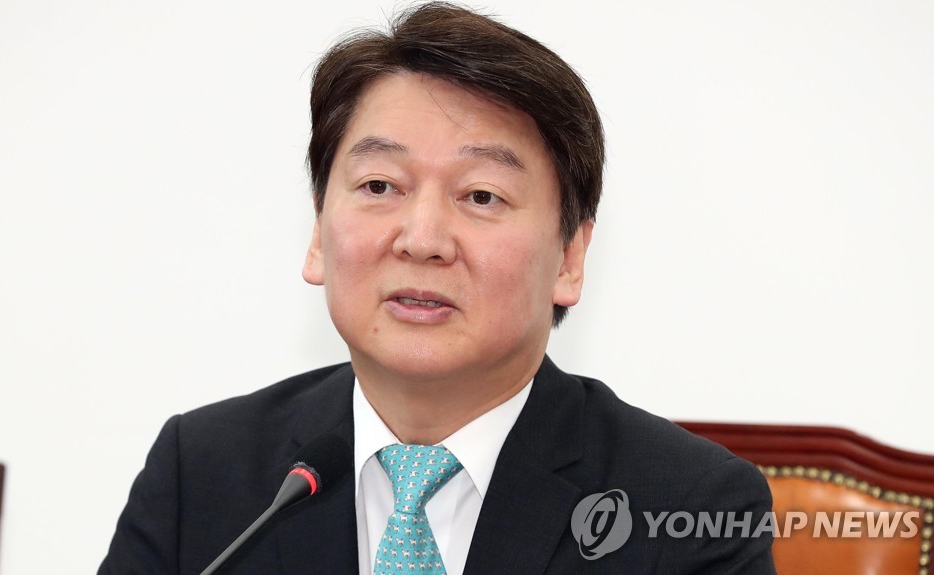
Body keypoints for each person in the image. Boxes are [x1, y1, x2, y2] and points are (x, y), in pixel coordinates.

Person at [99, 3, 776, 574]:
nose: (421, 238)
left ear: (569, 257)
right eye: (379, 186)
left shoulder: (689, 508)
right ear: (318, 233)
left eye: (481, 195)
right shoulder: (203, 472)